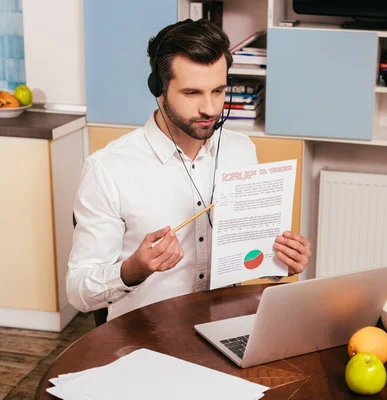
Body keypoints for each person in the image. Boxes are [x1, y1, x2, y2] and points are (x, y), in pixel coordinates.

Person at [66, 19, 312, 322]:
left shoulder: (241, 150)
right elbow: (78, 291)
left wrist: (280, 262)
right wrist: (132, 270)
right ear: (158, 88)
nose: (210, 108)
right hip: (145, 338)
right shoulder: (107, 169)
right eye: (192, 93)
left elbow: (251, 256)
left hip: (224, 326)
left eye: (219, 91)